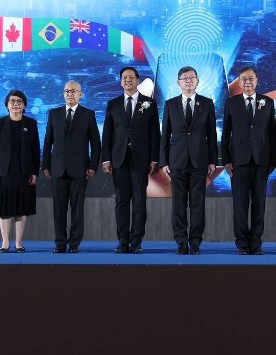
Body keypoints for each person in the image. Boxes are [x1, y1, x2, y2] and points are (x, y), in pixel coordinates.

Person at [101, 67, 160, 254]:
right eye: (124, 77)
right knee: (121, 202)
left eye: (131, 77)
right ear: (121, 82)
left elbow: (154, 134)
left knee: (139, 202)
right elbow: (107, 134)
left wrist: (154, 159)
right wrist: (106, 159)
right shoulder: (113, 104)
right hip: (119, 160)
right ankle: (123, 241)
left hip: (141, 160)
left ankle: (136, 242)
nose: (128, 80)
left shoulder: (149, 103)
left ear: (137, 80)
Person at [159, 66, 217, 255]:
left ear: (198, 81)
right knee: (178, 204)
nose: (188, 81)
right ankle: (181, 241)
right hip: (177, 161)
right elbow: (165, 135)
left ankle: (196, 241)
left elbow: (211, 134)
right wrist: (164, 162)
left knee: (197, 204)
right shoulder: (170, 104)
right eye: (185, 78)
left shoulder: (207, 103)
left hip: (200, 161)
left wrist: (212, 160)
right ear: (178, 83)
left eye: (192, 77)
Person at [221, 66, 275, 255]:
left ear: (257, 81)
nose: (247, 82)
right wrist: (226, 160)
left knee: (259, 204)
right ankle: (242, 243)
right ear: (239, 82)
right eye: (243, 79)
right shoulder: (231, 103)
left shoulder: (267, 102)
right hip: (238, 162)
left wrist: (272, 161)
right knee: (240, 204)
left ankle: (256, 242)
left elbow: (272, 133)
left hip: (262, 161)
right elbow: (226, 134)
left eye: (251, 79)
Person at [42, 81, 101, 253]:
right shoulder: (54, 113)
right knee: (58, 209)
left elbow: (95, 143)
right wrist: (46, 165)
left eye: (73, 91)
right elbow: (48, 142)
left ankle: (74, 243)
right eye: (67, 91)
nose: (69, 94)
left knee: (77, 208)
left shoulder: (88, 114)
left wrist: (93, 166)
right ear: (63, 94)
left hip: (80, 169)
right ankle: (60, 243)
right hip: (58, 168)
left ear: (80, 94)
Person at [0, 90, 39, 252]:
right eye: (12, 101)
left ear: (24, 105)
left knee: (21, 209)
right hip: (4, 173)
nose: (15, 104)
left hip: (24, 173)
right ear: (7, 105)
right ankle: (5, 243)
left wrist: (34, 172)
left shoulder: (31, 123)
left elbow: (35, 150)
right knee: (4, 209)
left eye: (19, 101)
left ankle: (18, 243)